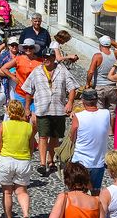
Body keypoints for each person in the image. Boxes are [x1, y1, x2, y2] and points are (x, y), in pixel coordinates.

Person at [22, 46, 77, 174]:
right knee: (42, 136)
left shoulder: (62, 70)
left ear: (53, 58)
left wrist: (70, 102)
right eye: (44, 57)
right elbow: (28, 91)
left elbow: (72, 87)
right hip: (42, 109)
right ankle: (42, 163)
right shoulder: (37, 71)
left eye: (48, 57)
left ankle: (50, 160)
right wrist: (27, 108)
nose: (46, 60)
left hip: (58, 109)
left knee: (55, 136)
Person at [0, 100, 35, 218]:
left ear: (8, 111)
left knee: (7, 192)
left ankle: (9, 217)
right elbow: (31, 146)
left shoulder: (3, 125)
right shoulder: (28, 127)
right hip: (23, 161)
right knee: (22, 191)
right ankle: (25, 213)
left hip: (6, 160)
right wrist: (29, 157)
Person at [70, 89, 110, 194]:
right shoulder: (106, 114)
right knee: (96, 192)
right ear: (96, 100)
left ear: (83, 101)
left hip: (81, 161)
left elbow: (72, 137)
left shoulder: (78, 117)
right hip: (99, 162)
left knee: (79, 192)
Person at [85, 36, 117, 113]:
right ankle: (111, 125)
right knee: (112, 111)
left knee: (100, 111)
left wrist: (87, 83)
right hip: (112, 86)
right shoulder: (115, 54)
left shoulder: (97, 56)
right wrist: (110, 41)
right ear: (109, 45)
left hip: (100, 86)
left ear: (100, 45)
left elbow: (90, 72)